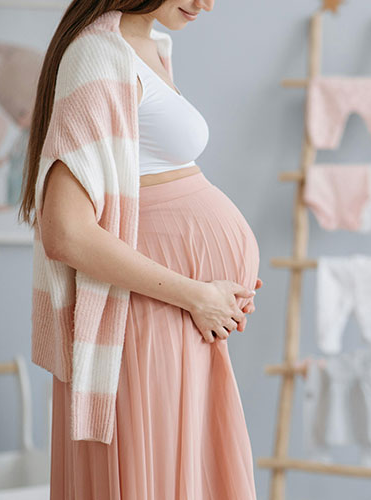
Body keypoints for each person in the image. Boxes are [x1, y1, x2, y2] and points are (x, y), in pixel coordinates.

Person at [18, 1, 262, 498]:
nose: (205, 4)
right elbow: (65, 231)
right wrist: (196, 293)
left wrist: (216, 293)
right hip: (145, 317)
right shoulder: (96, 54)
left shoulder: (151, 46)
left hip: (178, 315)